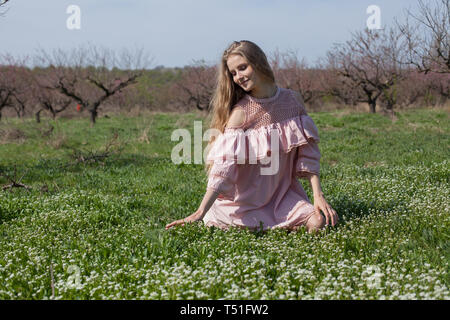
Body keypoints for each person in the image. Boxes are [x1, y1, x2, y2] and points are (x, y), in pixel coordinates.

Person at [165, 40, 338, 233]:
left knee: (318, 223)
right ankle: (269, 227)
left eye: (242, 68)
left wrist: (318, 195)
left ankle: (278, 227)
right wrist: (200, 211)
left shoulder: (293, 101)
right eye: (233, 73)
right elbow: (224, 167)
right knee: (245, 227)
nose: (238, 77)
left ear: (258, 62)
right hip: (245, 202)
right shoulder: (241, 113)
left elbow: (308, 154)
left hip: (283, 197)